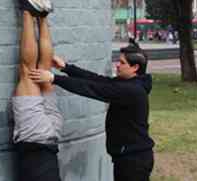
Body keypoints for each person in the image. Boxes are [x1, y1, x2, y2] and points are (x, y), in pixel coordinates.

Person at [30, 40, 155, 181]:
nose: (117, 65)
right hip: (130, 156)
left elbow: (92, 88)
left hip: (133, 160)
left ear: (135, 68)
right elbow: (98, 80)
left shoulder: (131, 90)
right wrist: (66, 67)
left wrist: (53, 78)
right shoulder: (130, 84)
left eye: (122, 62)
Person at [12, 0, 63, 181]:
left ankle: (43, 14)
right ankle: (28, 10)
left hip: (53, 133)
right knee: (28, 72)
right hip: (37, 137)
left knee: (45, 70)